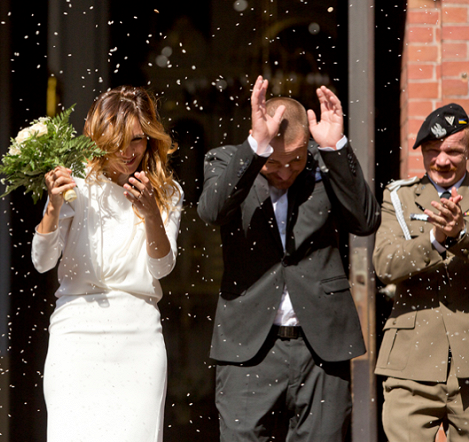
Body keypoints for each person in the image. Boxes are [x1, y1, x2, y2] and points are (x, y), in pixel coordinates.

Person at [197, 75, 381, 441]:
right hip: (248, 344)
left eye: (295, 160)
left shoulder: (324, 164)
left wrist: (336, 148)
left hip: (321, 344)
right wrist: (255, 150)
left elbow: (365, 220)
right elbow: (212, 211)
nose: (284, 172)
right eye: (274, 163)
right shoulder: (227, 160)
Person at [31, 86, 183, 442]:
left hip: (138, 335)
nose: (128, 152)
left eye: (138, 140)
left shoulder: (165, 190)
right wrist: (53, 206)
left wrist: (151, 215)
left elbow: (161, 268)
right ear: (99, 137)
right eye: (117, 141)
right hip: (76, 332)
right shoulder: (76, 182)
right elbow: (42, 261)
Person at [373, 103, 469, 442]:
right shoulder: (398, 196)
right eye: (432, 151)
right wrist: (435, 240)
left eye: (453, 151)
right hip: (410, 362)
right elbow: (385, 264)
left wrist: (460, 237)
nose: (442, 161)